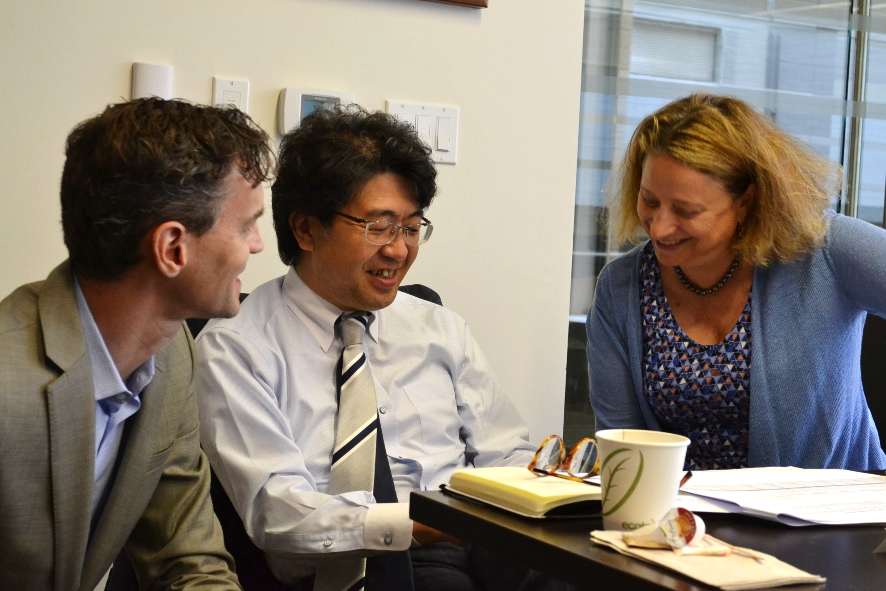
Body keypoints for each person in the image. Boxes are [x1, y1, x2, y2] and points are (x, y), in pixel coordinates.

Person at [195, 106, 562, 591]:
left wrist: (552, 490)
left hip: (481, 547)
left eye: (411, 228)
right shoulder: (236, 346)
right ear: (305, 229)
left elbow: (505, 454)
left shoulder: (438, 327)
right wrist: (416, 524)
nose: (398, 250)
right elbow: (276, 512)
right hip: (362, 563)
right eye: (378, 226)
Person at [0, 97, 274, 589]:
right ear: (172, 248)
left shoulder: (172, 354)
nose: (257, 245)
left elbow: (187, 559)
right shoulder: (6, 380)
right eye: (246, 225)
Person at [586, 92, 886, 472]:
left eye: (685, 210)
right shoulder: (621, 287)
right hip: (686, 524)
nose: (660, 227)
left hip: (835, 520)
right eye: (650, 201)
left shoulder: (826, 248)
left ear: (746, 200)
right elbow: (623, 454)